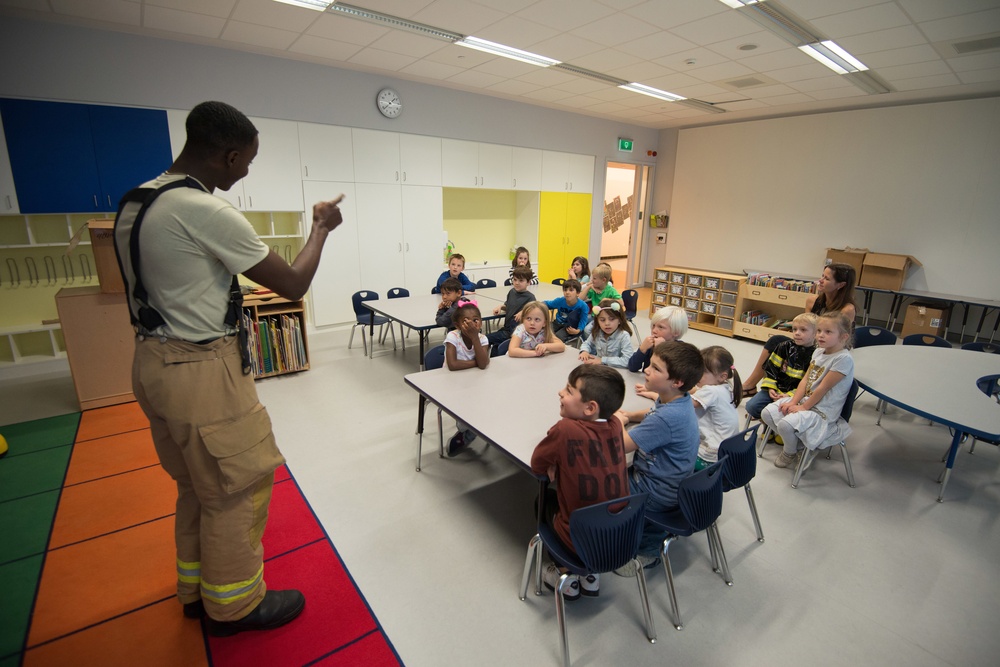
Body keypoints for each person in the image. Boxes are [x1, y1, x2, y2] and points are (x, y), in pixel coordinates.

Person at [113, 101, 344, 636]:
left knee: (196, 485)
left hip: (152, 361)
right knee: (236, 487)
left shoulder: (138, 199)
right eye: (247, 162)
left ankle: (194, 593)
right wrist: (321, 228)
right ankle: (235, 606)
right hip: (199, 373)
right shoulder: (204, 210)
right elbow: (291, 284)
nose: (245, 173)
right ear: (229, 153)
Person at [531, 365, 628, 601]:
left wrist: (555, 459)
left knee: (542, 501)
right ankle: (590, 577)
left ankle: (565, 574)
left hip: (578, 542)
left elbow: (537, 465)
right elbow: (611, 421)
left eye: (568, 390)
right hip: (621, 538)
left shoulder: (565, 429)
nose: (560, 393)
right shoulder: (614, 424)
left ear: (590, 407)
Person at [613, 341, 703, 575]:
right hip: (674, 482)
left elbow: (623, 445)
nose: (646, 371)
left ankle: (646, 552)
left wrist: (617, 421)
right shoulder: (676, 400)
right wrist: (631, 415)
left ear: (677, 382)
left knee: (602, 485)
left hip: (656, 491)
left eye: (655, 368)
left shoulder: (668, 417)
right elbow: (653, 412)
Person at [761, 312, 855, 469]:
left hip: (822, 410)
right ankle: (802, 446)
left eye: (828, 332)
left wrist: (802, 407)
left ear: (844, 337)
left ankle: (790, 451)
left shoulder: (843, 359)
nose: (820, 336)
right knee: (767, 413)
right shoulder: (818, 352)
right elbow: (805, 380)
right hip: (807, 401)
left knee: (785, 425)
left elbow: (824, 387)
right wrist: (793, 401)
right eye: (819, 331)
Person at [742, 313, 818, 419]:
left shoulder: (817, 356)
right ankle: (768, 420)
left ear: (815, 333)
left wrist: (790, 395)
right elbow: (770, 369)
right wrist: (770, 388)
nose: (797, 333)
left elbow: (810, 384)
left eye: (803, 330)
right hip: (775, 390)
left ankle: (772, 426)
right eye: (794, 329)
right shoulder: (783, 347)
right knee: (751, 407)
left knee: (783, 413)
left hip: (795, 396)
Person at [444, 302, 490, 455]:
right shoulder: (453, 336)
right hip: (452, 383)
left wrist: (474, 337)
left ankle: (474, 429)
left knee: (486, 402)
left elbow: (483, 365)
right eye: (466, 321)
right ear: (457, 324)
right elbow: (452, 364)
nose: (471, 323)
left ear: (481, 322)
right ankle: (467, 432)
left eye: (475, 320)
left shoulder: (482, 339)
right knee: (465, 406)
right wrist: (476, 362)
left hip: (475, 382)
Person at [692, 346, 742, 471]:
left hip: (709, 457)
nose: (697, 374)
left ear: (722, 376)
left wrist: (658, 394)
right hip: (726, 454)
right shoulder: (726, 387)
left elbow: (684, 404)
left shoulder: (711, 391)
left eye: (703, 372)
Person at [628, 305, 689, 374]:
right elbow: (632, 367)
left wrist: (661, 350)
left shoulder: (681, 350)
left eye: (660, 327)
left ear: (676, 332)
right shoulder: (650, 345)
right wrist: (642, 350)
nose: (654, 330)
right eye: (653, 325)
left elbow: (671, 375)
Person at [486, 266, 536, 347]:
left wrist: (524, 312)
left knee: (485, 339)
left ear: (528, 282)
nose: (516, 283)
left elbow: (534, 313)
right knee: (494, 345)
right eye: (515, 279)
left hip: (516, 333)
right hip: (507, 329)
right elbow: (508, 305)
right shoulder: (512, 292)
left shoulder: (530, 297)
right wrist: (500, 307)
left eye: (521, 280)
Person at [578, 300, 633, 368]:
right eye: (602, 320)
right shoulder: (597, 332)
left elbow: (627, 361)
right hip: (600, 368)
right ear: (597, 321)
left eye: (612, 319)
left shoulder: (624, 336)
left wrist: (602, 360)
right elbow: (587, 344)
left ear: (619, 320)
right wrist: (584, 351)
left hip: (616, 370)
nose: (607, 323)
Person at [544, 279, 589, 343]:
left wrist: (578, 330)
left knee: (557, 337)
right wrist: (538, 305)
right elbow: (548, 304)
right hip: (557, 323)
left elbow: (583, 320)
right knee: (544, 332)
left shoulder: (583, 306)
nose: (567, 292)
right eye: (565, 290)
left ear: (578, 293)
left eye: (571, 290)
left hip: (569, 327)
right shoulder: (560, 300)